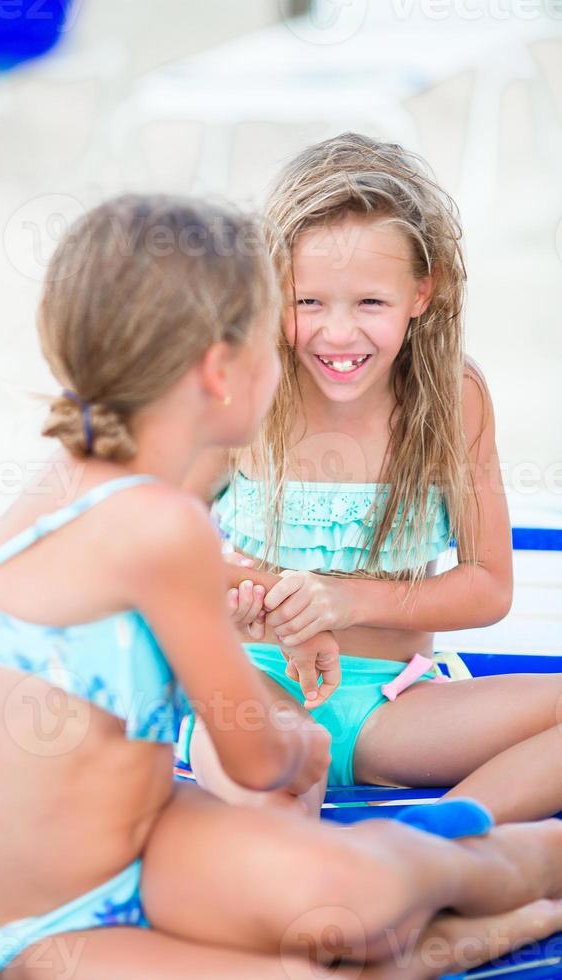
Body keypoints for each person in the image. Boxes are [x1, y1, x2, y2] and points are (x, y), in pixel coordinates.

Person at [0, 193, 562, 980]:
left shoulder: (74, 488)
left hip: (150, 841)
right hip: (36, 926)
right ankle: (486, 911)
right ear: (223, 372)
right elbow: (259, 762)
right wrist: (303, 739)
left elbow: (166, 581)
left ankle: (486, 874)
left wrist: (295, 608)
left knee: (347, 891)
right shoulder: (163, 526)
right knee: (315, 955)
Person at [184, 132, 562, 825]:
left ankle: (439, 839)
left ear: (423, 292)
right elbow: (151, 539)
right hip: (258, 687)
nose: (337, 335)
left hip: (402, 702)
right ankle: (309, 874)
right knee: (275, 768)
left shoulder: (453, 396)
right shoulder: (242, 389)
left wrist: (347, 601)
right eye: (309, 304)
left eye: (370, 304)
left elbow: (487, 586)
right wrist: (264, 602)